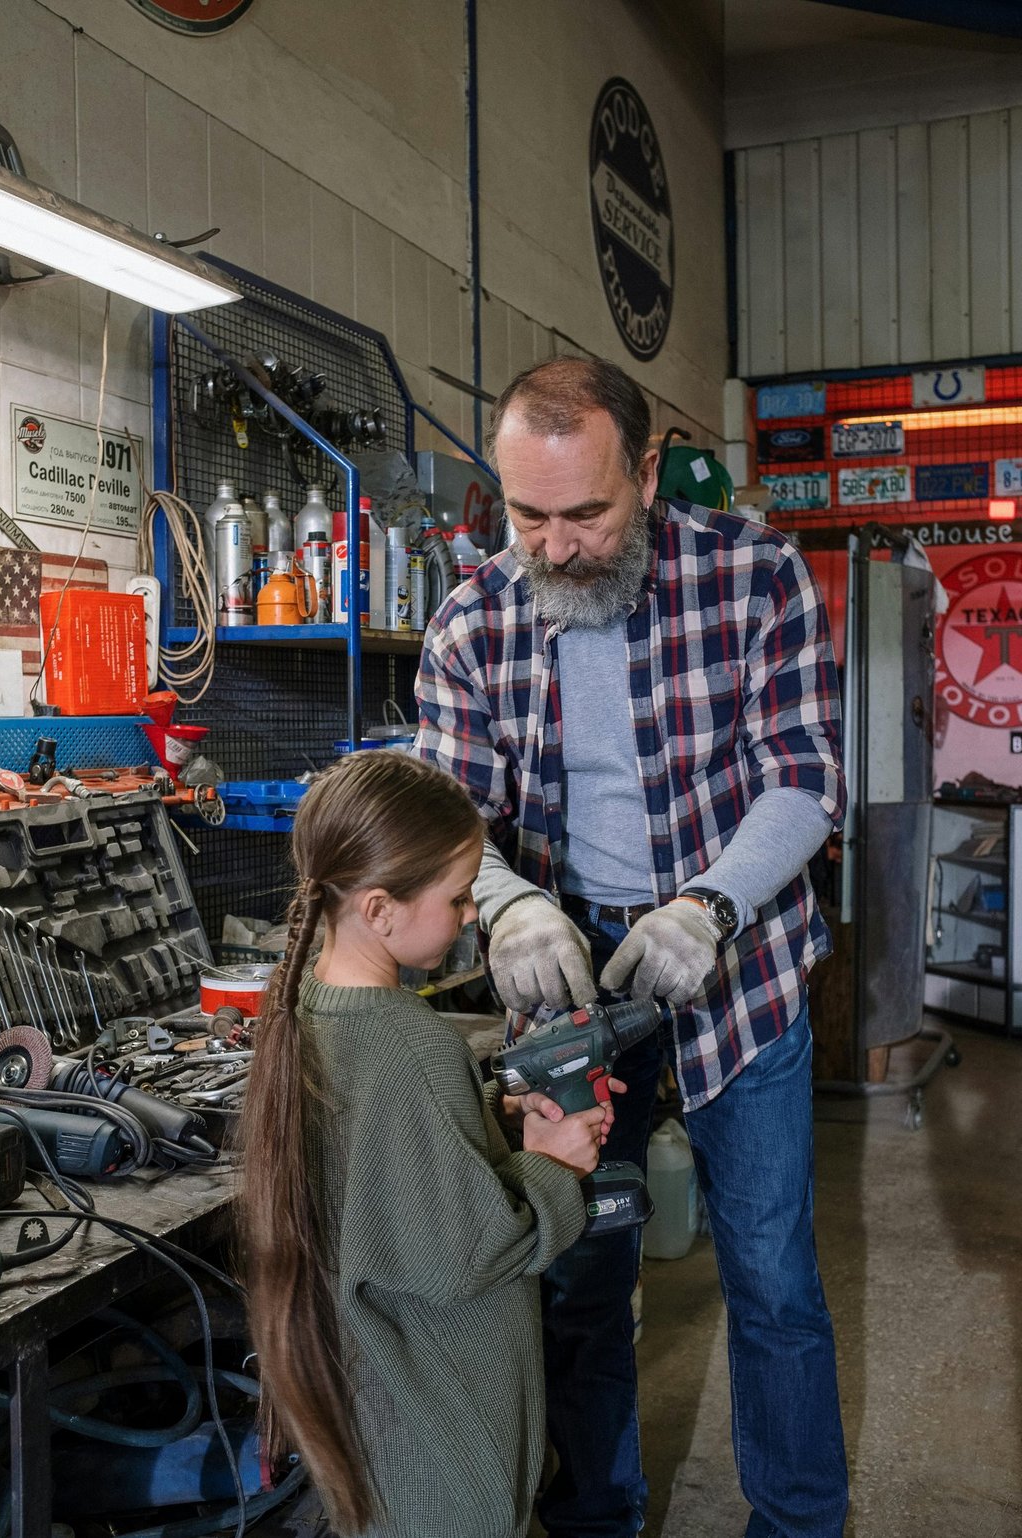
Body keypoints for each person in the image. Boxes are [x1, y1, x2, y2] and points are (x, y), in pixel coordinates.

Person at [415, 356, 849, 1538]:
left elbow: (806, 779)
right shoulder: (473, 617)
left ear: (647, 472)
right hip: (564, 978)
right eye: (526, 514)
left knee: (770, 1281)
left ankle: (801, 1523)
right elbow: (447, 820)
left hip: (736, 957)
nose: (554, 548)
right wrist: (507, 903)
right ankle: (596, 1520)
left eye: (588, 513)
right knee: (578, 1281)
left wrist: (706, 905)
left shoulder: (752, 572)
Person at [239, 749, 616, 1538]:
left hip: (382, 1412)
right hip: (448, 1439)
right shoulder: (410, 1045)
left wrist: (492, 1118)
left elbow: (390, 1169)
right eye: (458, 897)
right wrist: (553, 1169)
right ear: (379, 910)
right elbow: (472, 1250)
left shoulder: (308, 1005)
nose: (474, 914)